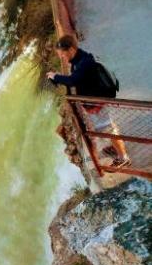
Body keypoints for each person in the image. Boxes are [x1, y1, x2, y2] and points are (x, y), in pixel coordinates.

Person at [47, 34, 130, 169]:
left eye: (62, 54)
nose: (61, 57)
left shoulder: (84, 62)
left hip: (97, 104)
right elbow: (74, 79)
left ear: (71, 50)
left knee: (109, 128)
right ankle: (116, 148)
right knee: (105, 128)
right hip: (93, 104)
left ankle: (123, 157)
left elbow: (73, 80)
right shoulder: (77, 61)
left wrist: (55, 76)